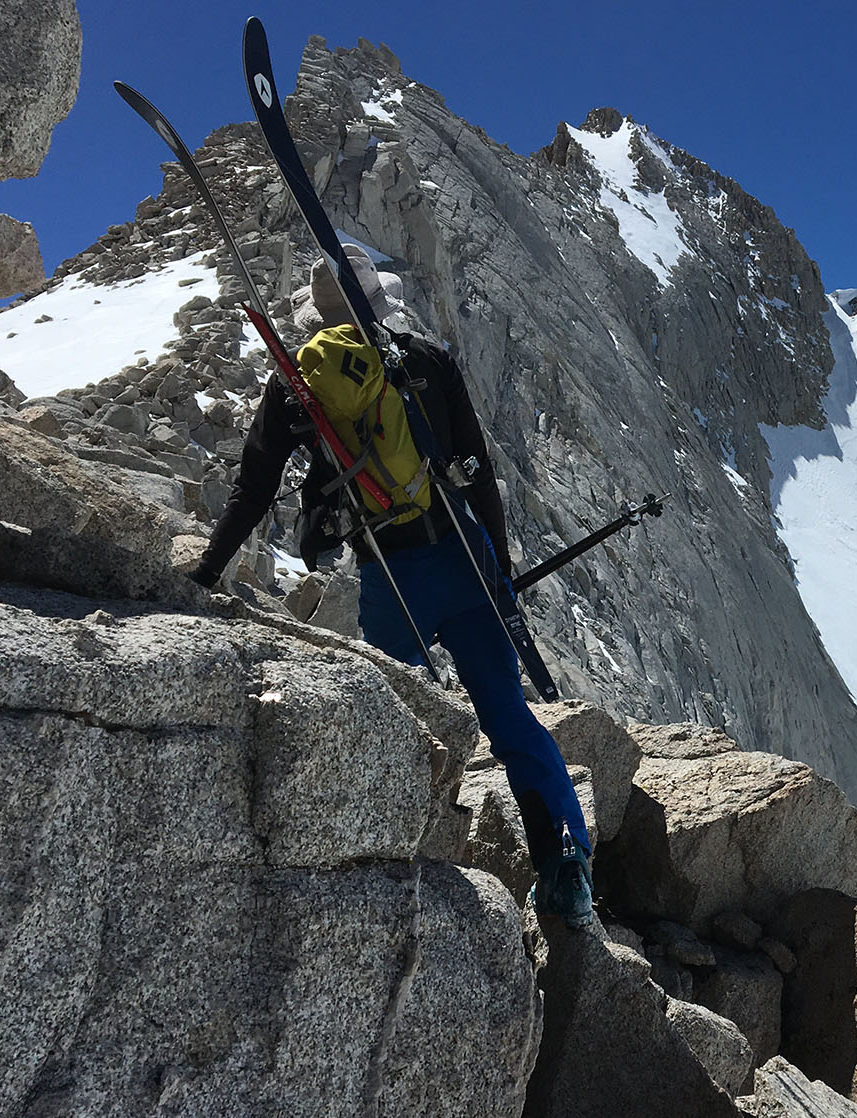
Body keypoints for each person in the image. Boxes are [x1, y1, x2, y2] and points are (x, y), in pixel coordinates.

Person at [190, 245, 596, 927]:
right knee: (507, 716)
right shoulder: (424, 360)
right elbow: (477, 473)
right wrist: (497, 574)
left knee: (404, 721)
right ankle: (566, 869)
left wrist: (204, 574)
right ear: (378, 304)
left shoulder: (298, 387)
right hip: (462, 563)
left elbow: (253, 487)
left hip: (387, 576)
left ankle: (399, 863)